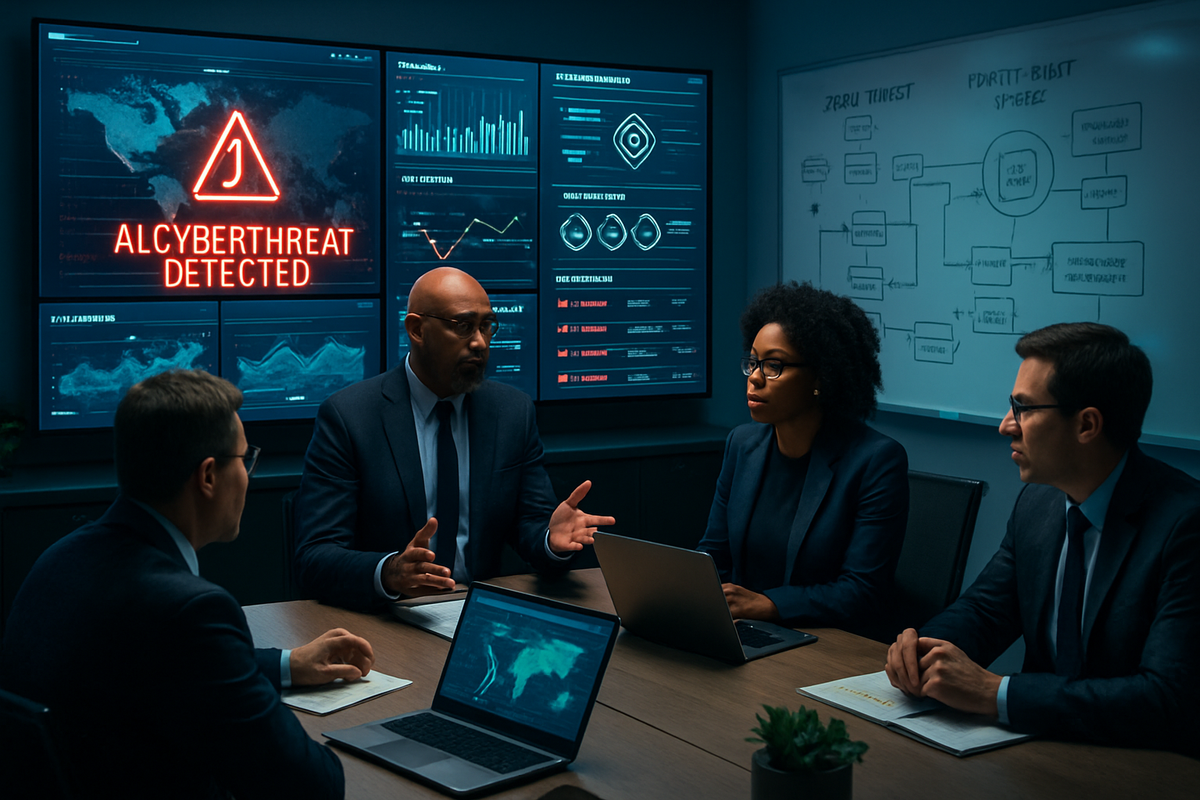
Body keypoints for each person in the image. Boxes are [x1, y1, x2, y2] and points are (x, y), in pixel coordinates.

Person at [0, 370, 374, 799]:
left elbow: (157, 663)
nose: (249, 476)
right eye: (245, 458)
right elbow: (310, 786)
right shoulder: (188, 610)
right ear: (208, 476)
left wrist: (286, 665)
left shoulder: (62, 558)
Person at [884, 322, 1200, 756]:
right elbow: (986, 610)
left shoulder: (1186, 525)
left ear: (1087, 424)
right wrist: (926, 651)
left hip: (1139, 766)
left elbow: (1165, 699)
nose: (1005, 426)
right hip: (1038, 753)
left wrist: (996, 693)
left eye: (1024, 408)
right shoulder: (1038, 503)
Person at [294, 266, 613, 611]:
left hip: (478, 613)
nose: (479, 342)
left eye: (486, 326)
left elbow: (531, 526)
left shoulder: (510, 412)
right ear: (417, 329)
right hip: (388, 616)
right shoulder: (350, 417)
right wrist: (389, 572)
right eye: (463, 326)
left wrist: (552, 541)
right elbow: (316, 556)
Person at [696, 281, 909, 635]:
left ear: (821, 377)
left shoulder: (877, 461)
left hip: (827, 645)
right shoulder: (742, 444)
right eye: (752, 363)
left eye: (773, 366)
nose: (755, 379)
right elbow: (713, 555)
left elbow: (862, 591)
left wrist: (771, 605)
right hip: (745, 632)